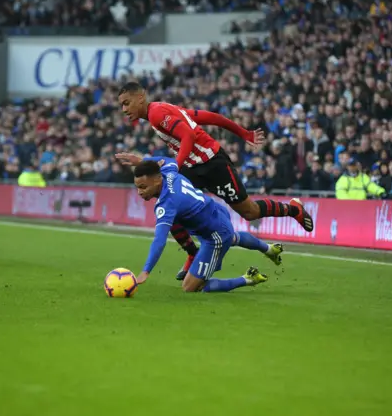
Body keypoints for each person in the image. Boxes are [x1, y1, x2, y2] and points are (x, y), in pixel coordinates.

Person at [115, 82, 313, 280]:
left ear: (140, 98)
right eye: (122, 105)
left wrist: (176, 166)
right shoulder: (161, 111)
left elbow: (188, 135)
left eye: (126, 103)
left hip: (212, 163)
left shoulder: (157, 114)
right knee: (170, 204)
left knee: (249, 212)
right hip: (193, 168)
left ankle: (293, 209)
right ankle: (193, 254)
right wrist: (242, 132)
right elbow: (207, 117)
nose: (124, 110)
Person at [133, 157, 284, 292]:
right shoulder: (168, 170)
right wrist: (142, 160)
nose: (139, 192)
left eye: (143, 187)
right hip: (216, 213)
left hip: (214, 236)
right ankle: (269, 249)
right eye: (138, 187)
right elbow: (164, 160)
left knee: (190, 287)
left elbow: (159, 240)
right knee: (231, 237)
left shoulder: (167, 204)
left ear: (158, 180)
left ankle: (248, 278)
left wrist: (146, 270)